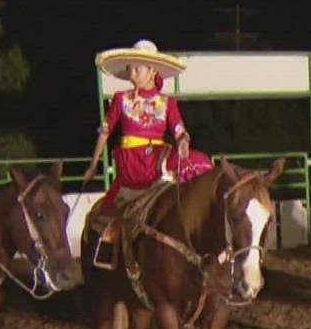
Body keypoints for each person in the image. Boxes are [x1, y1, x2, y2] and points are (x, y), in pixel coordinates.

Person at [82, 39, 213, 209]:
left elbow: (179, 130)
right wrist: (93, 165)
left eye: (138, 69)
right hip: (131, 160)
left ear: (152, 70)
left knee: (200, 160)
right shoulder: (121, 99)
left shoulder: (167, 102)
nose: (132, 73)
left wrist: (183, 141)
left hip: (158, 158)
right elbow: (105, 131)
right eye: (130, 69)